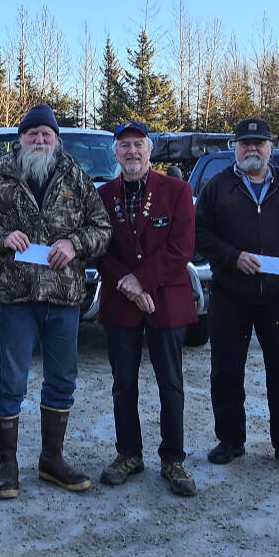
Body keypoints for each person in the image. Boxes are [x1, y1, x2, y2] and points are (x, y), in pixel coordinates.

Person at [0, 103, 112, 499]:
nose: (39, 139)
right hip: (15, 298)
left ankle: (52, 459)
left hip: (63, 297)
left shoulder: (76, 176)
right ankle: (8, 464)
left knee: (62, 380)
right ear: (20, 139)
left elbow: (101, 229)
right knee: (12, 381)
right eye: (32, 133)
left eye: (45, 134)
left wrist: (74, 242)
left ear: (56, 139)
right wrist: (1, 236)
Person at [194, 117, 279, 476]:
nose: (252, 148)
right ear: (234, 147)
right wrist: (232, 256)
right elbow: (199, 234)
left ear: (271, 148)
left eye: (259, 143)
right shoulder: (217, 188)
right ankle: (230, 440)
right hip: (231, 294)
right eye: (245, 143)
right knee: (227, 371)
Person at [94, 120, 199, 496]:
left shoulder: (177, 190)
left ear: (149, 151)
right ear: (116, 154)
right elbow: (98, 246)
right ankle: (129, 454)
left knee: (170, 383)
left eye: (139, 145)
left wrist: (143, 281)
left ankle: (173, 459)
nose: (132, 152)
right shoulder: (103, 196)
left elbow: (181, 247)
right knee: (124, 384)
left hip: (166, 302)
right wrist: (128, 284)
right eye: (124, 147)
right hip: (121, 304)